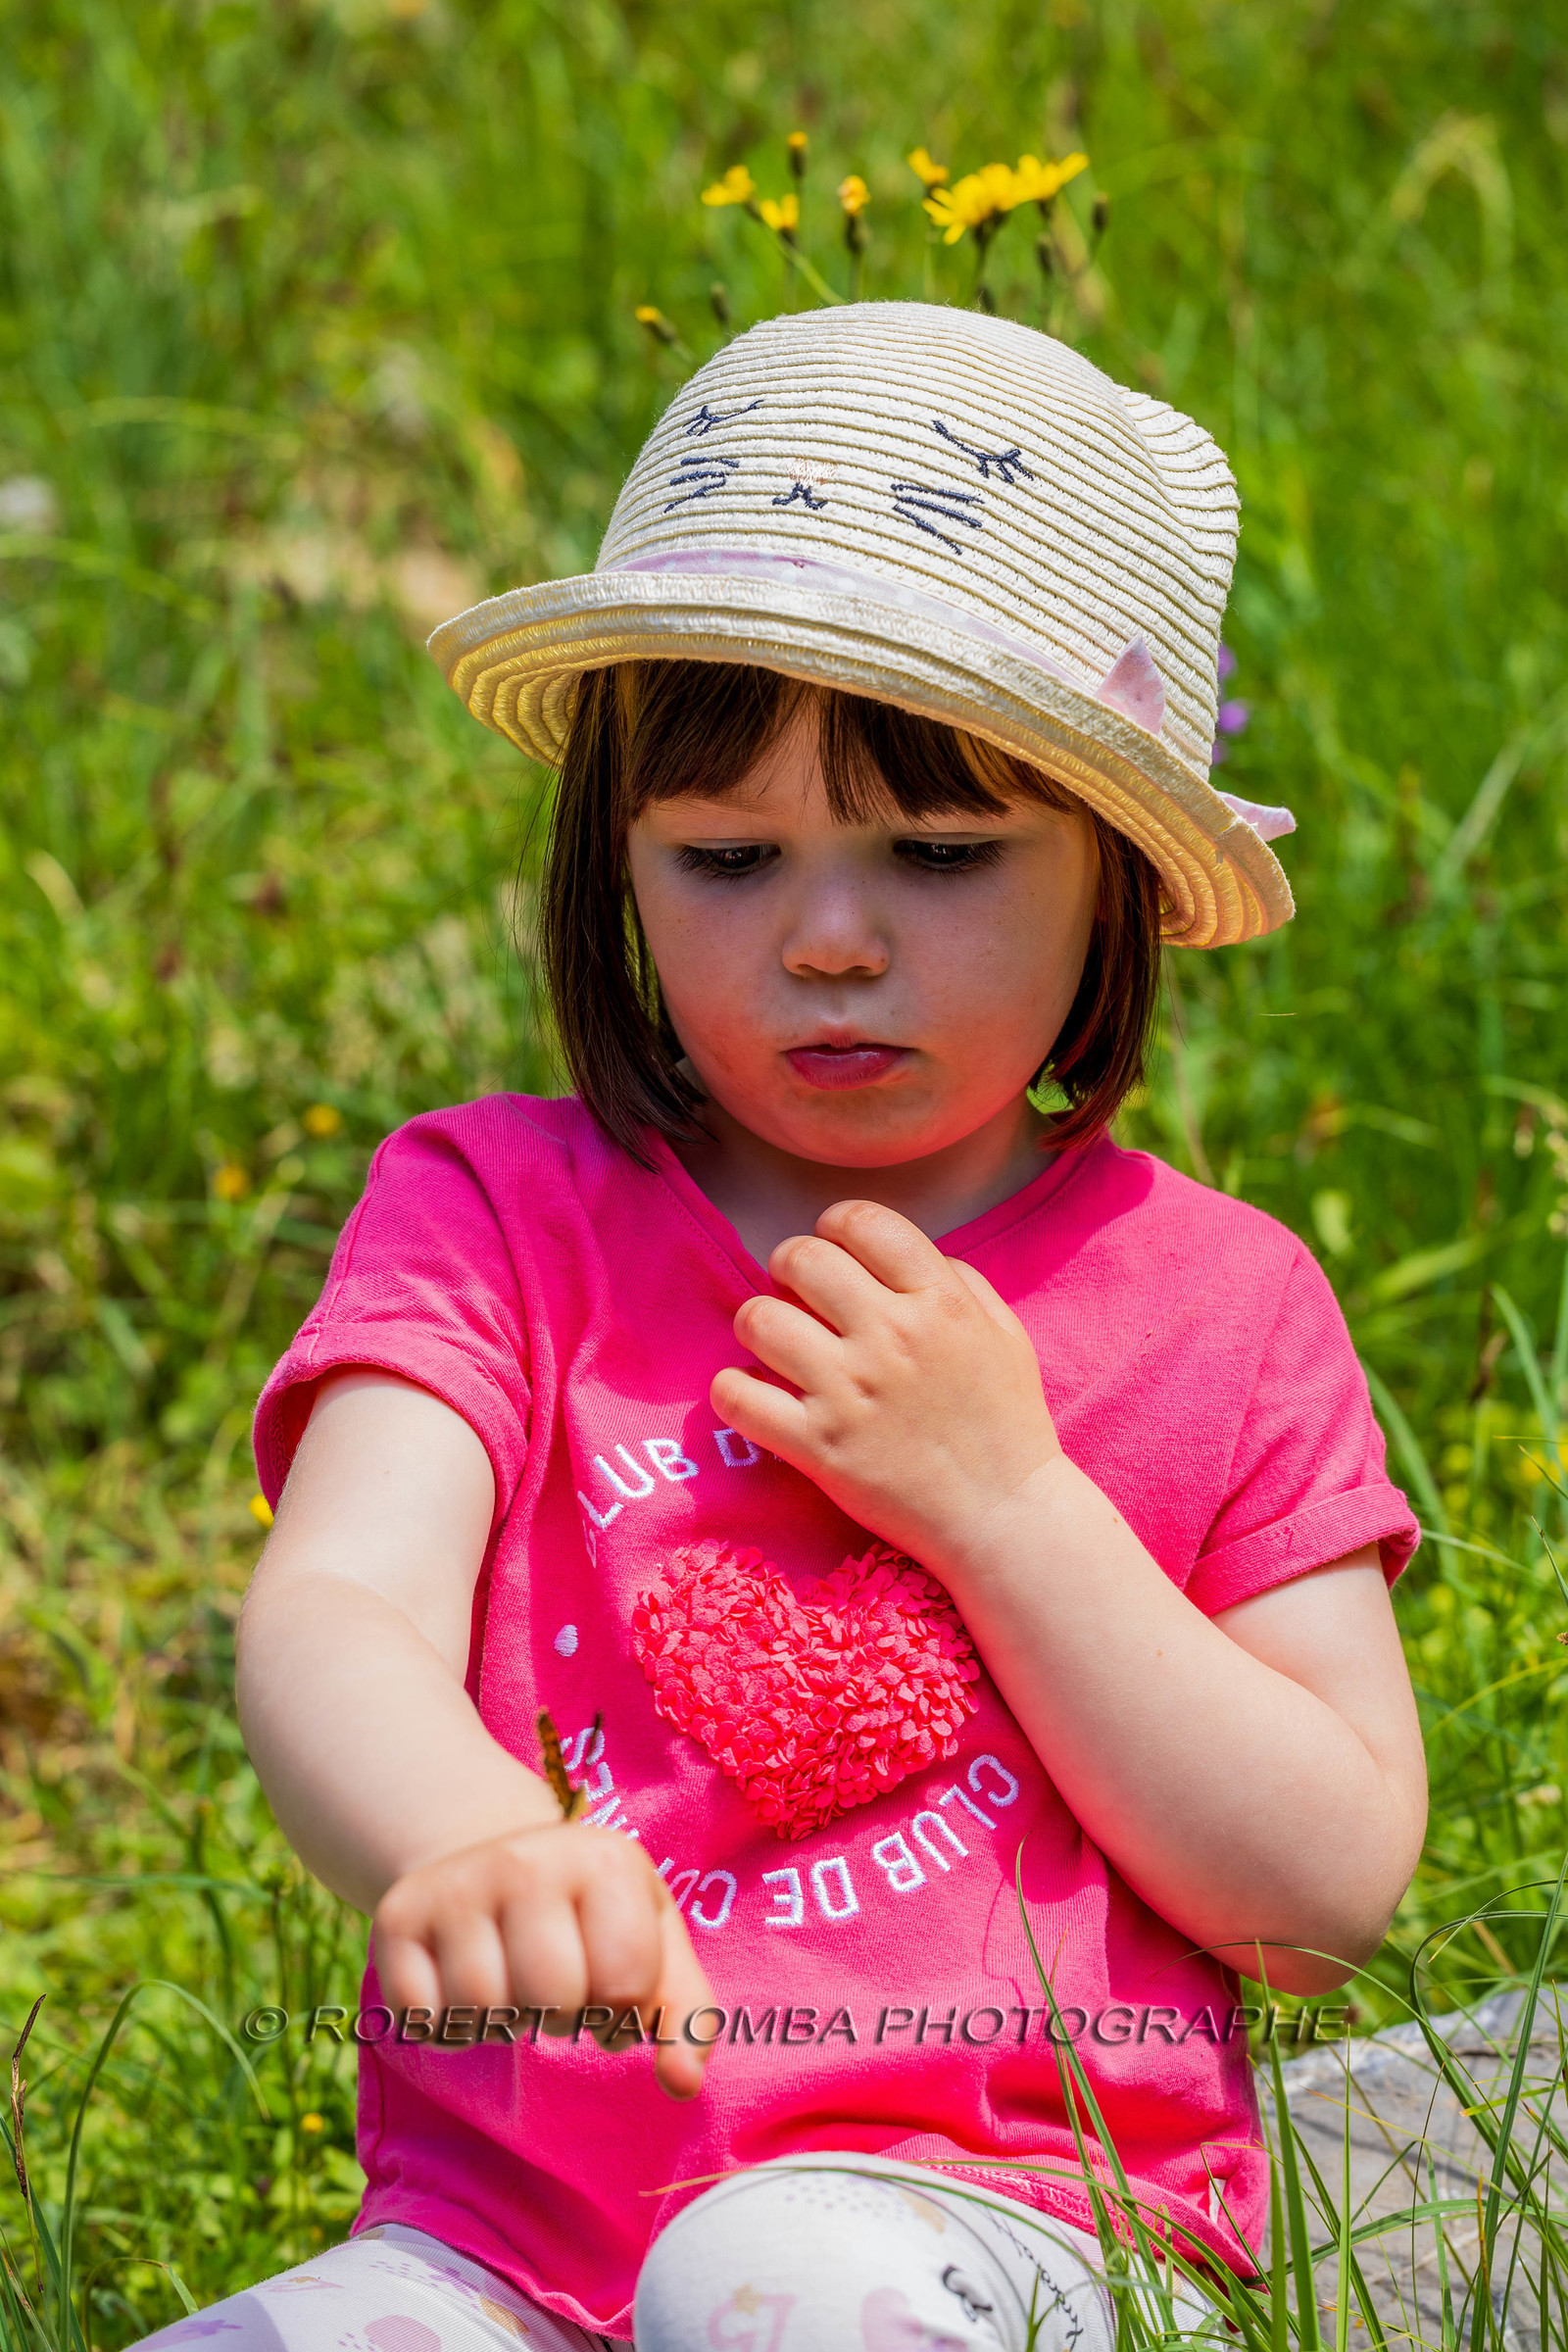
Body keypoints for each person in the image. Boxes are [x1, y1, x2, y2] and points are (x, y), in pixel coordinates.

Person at [148, 304, 1427, 2352]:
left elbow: (1318, 1887)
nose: (826, 940)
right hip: (502, 2249)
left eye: (936, 854)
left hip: (1010, 2228)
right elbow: (336, 1604)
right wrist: (459, 1828)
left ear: (1112, 875)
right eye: (727, 857)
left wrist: (1007, 1508)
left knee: (773, 2287)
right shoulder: (496, 1219)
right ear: (615, 861)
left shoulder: (1215, 1305)